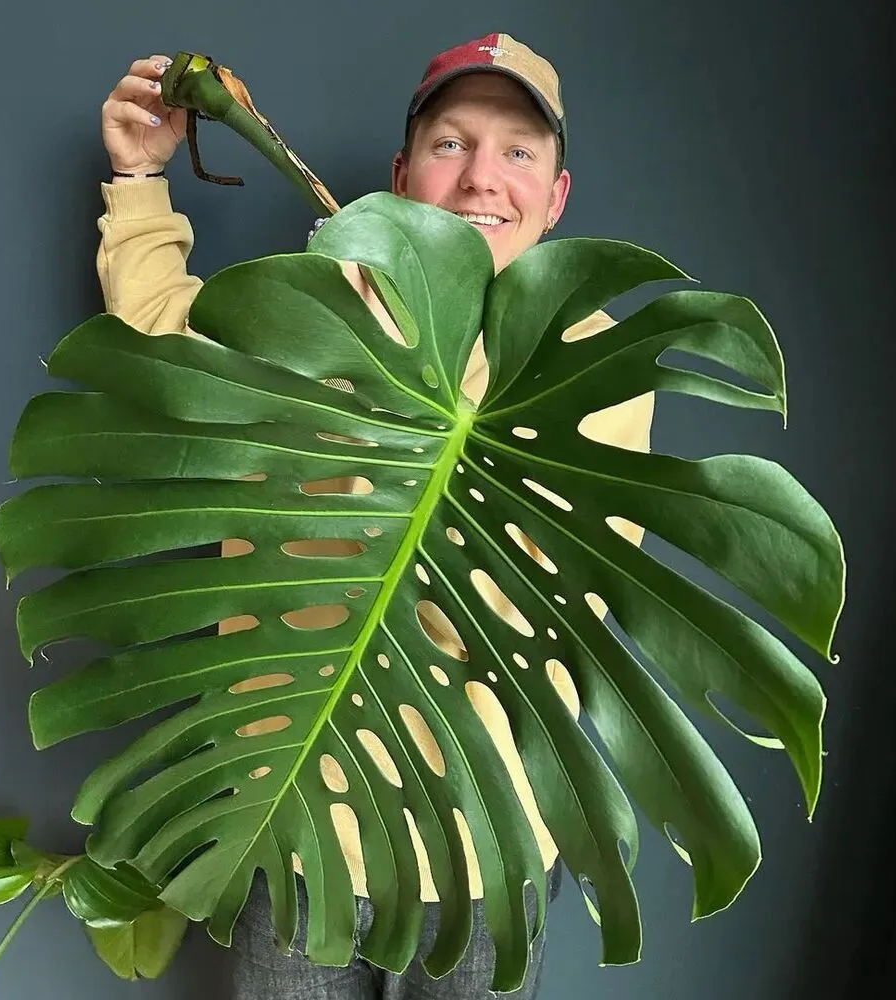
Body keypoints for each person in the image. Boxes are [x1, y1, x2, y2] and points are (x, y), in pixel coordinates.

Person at [97, 32, 654, 999]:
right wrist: (140, 179)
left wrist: (421, 404)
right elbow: (164, 357)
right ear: (401, 175)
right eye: (451, 144)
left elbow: (541, 596)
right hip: (300, 818)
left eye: (518, 152)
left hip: (485, 851)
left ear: (555, 197)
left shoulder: (589, 362)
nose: (483, 178)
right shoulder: (316, 307)